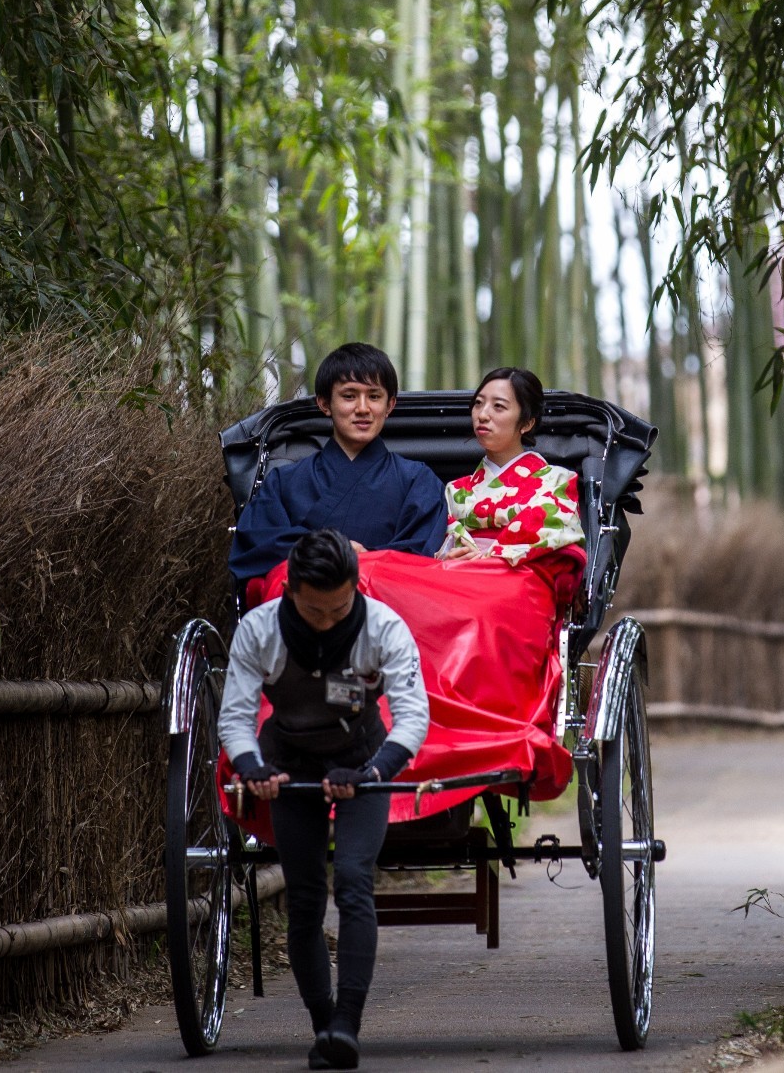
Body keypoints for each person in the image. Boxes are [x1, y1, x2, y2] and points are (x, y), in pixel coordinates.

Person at [220, 528, 429, 1070]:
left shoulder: (383, 626)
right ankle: (322, 1023)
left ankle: (348, 1024)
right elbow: (237, 719)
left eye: (341, 609)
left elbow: (412, 718)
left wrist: (374, 771)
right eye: (316, 611)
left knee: (355, 882)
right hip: (289, 765)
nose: (330, 620)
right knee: (308, 897)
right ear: (290, 590)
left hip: (363, 760)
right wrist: (253, 769)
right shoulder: (258, 631)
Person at [229, 342, 449, 583]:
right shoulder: (284, 482)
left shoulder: (417, 481)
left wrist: (367, 560)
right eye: (349, 396)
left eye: (374, 396)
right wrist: (330, 551)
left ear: (390, 406)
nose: (363, 408)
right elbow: (258, 544)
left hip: (389, 605)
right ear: (324, 404)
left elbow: (423, 557)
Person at [437, 368, 585, 566]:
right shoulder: (454, 490)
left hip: (522, 582)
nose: (482, 415)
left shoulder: (557, 481)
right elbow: (441, 547)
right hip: (462, 580)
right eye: (478, 404)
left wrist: (489, 560)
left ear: (526, 423)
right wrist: (449, 556)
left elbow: (558, 546)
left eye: (498, 406)